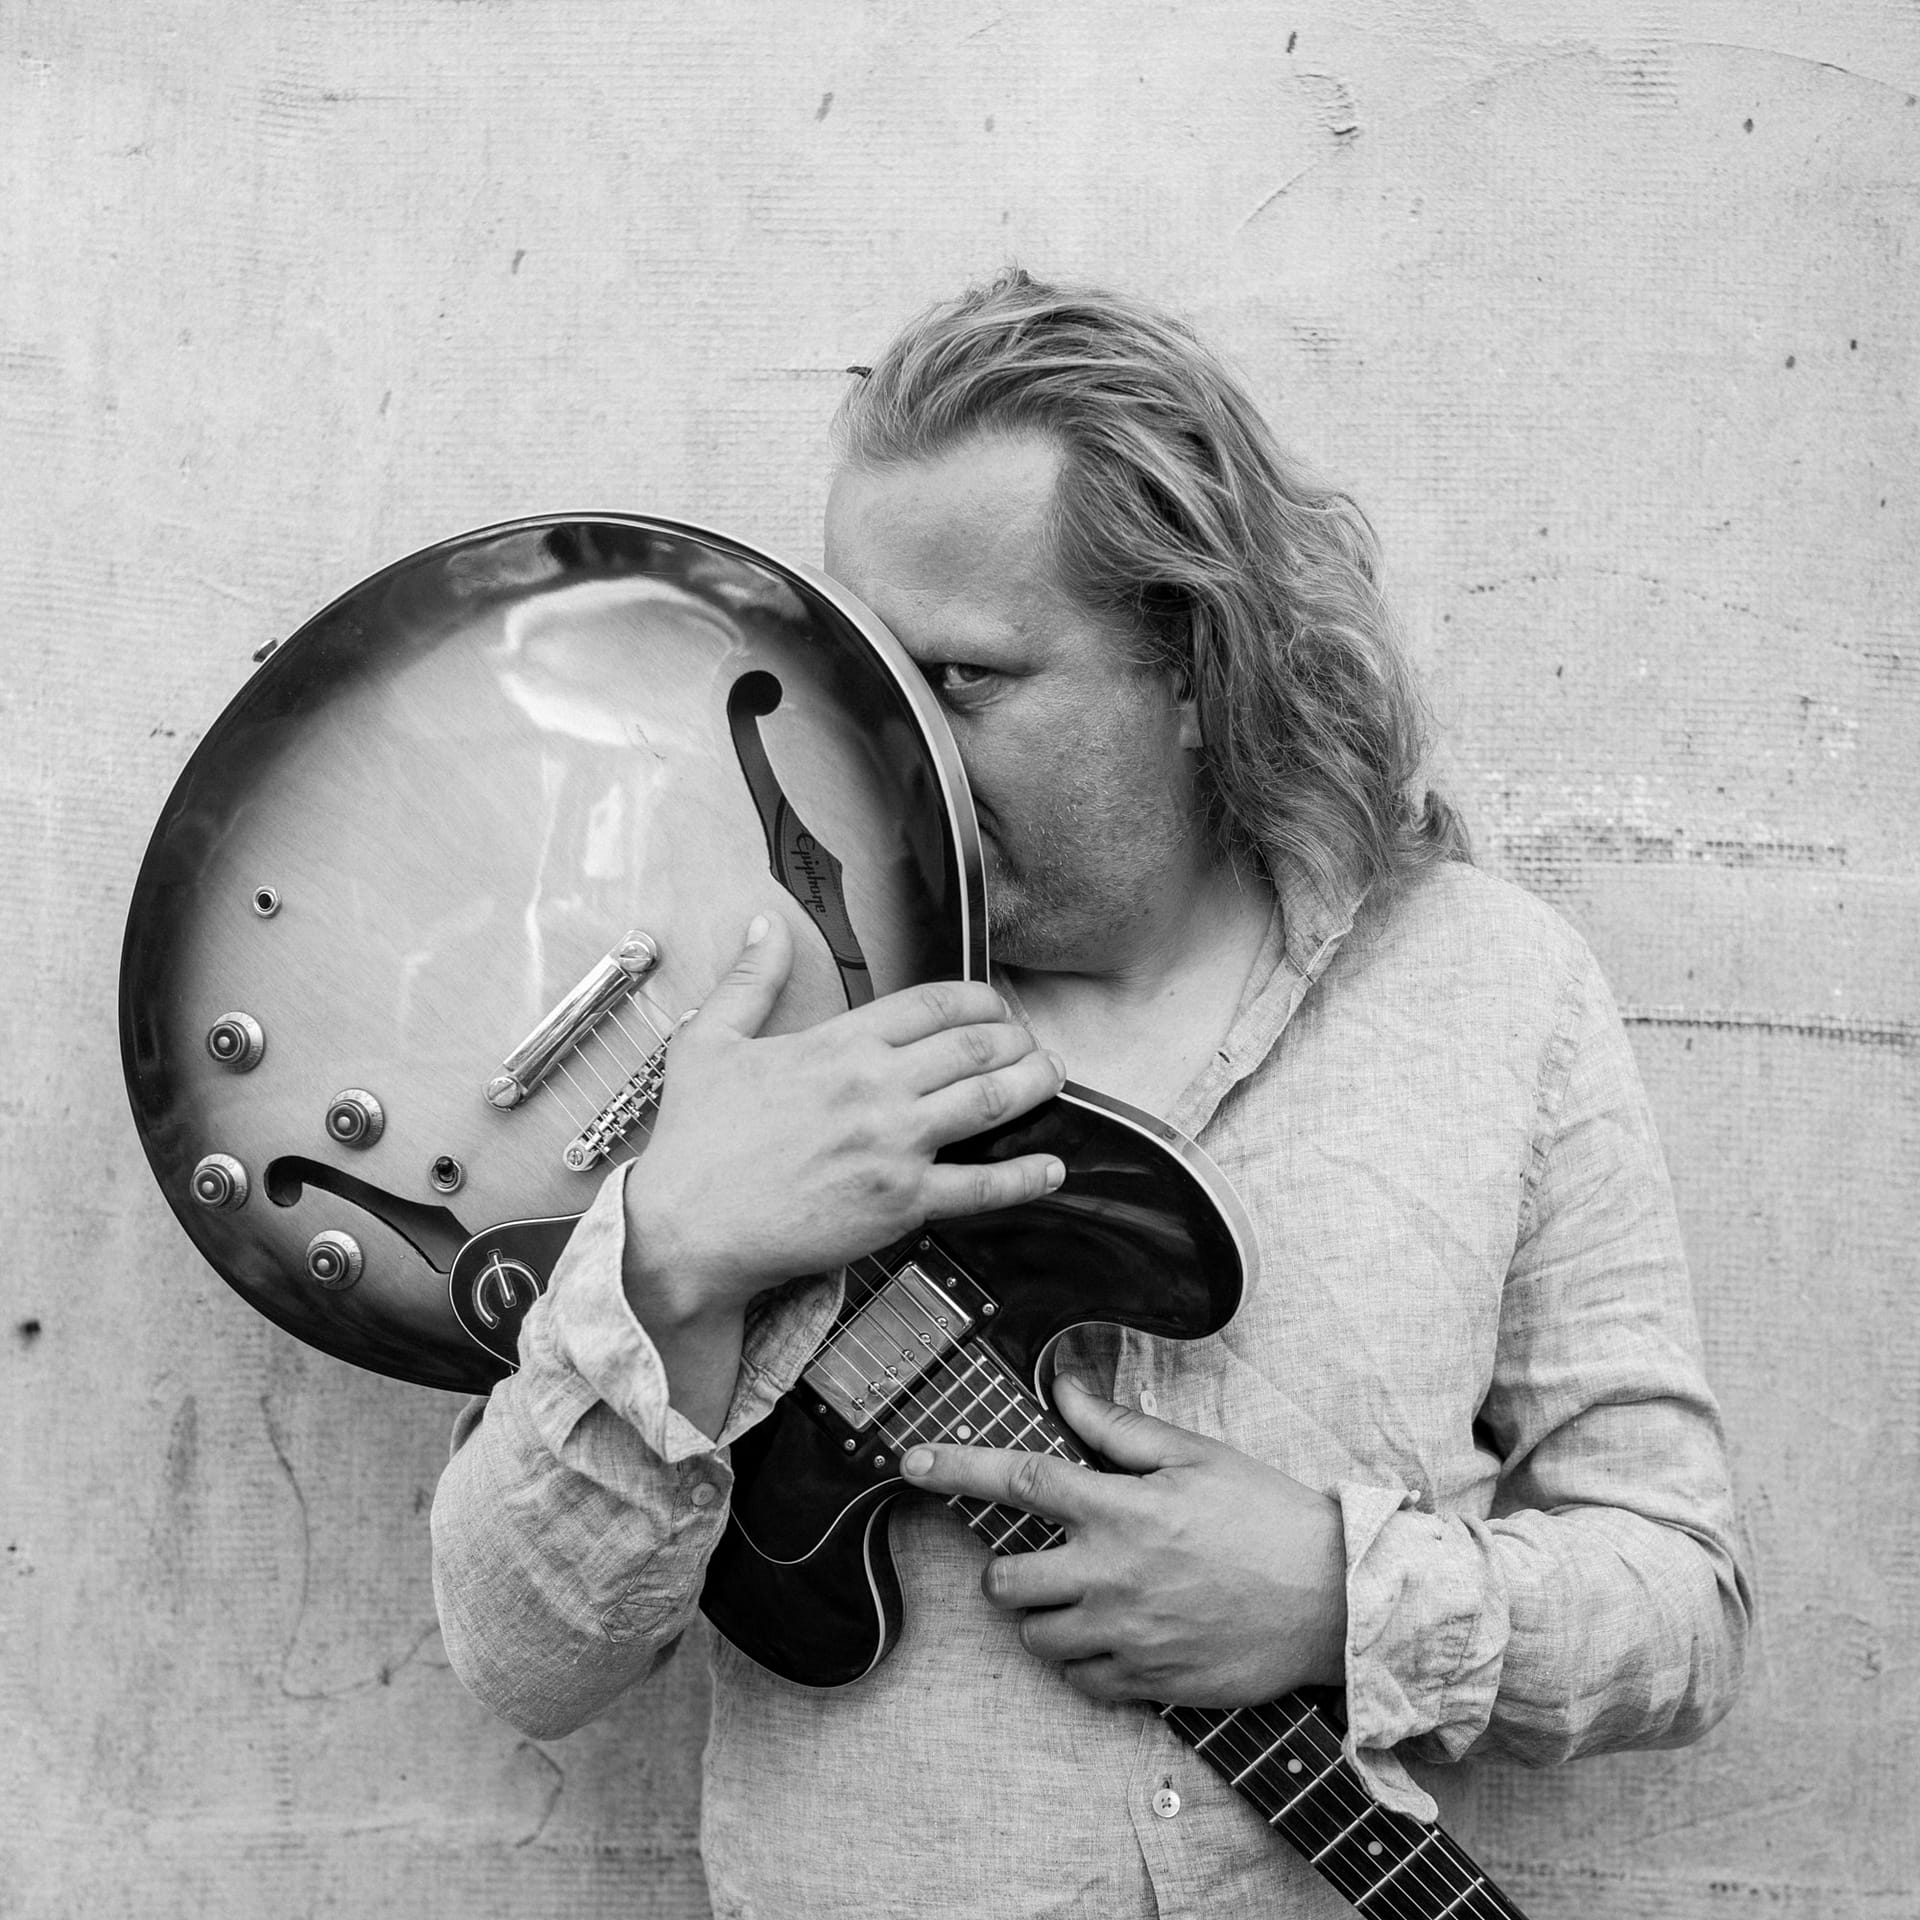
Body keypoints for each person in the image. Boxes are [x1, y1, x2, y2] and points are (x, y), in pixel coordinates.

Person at [431, 271, 1752, 1917]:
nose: (892, 748)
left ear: (1197, 663)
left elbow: (1685, 1603)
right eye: (864, 674)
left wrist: (1341, 1597)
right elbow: (524, 1660)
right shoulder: (752, 1027)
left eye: (964, 682)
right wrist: (673, 1260)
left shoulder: (1494, 992)